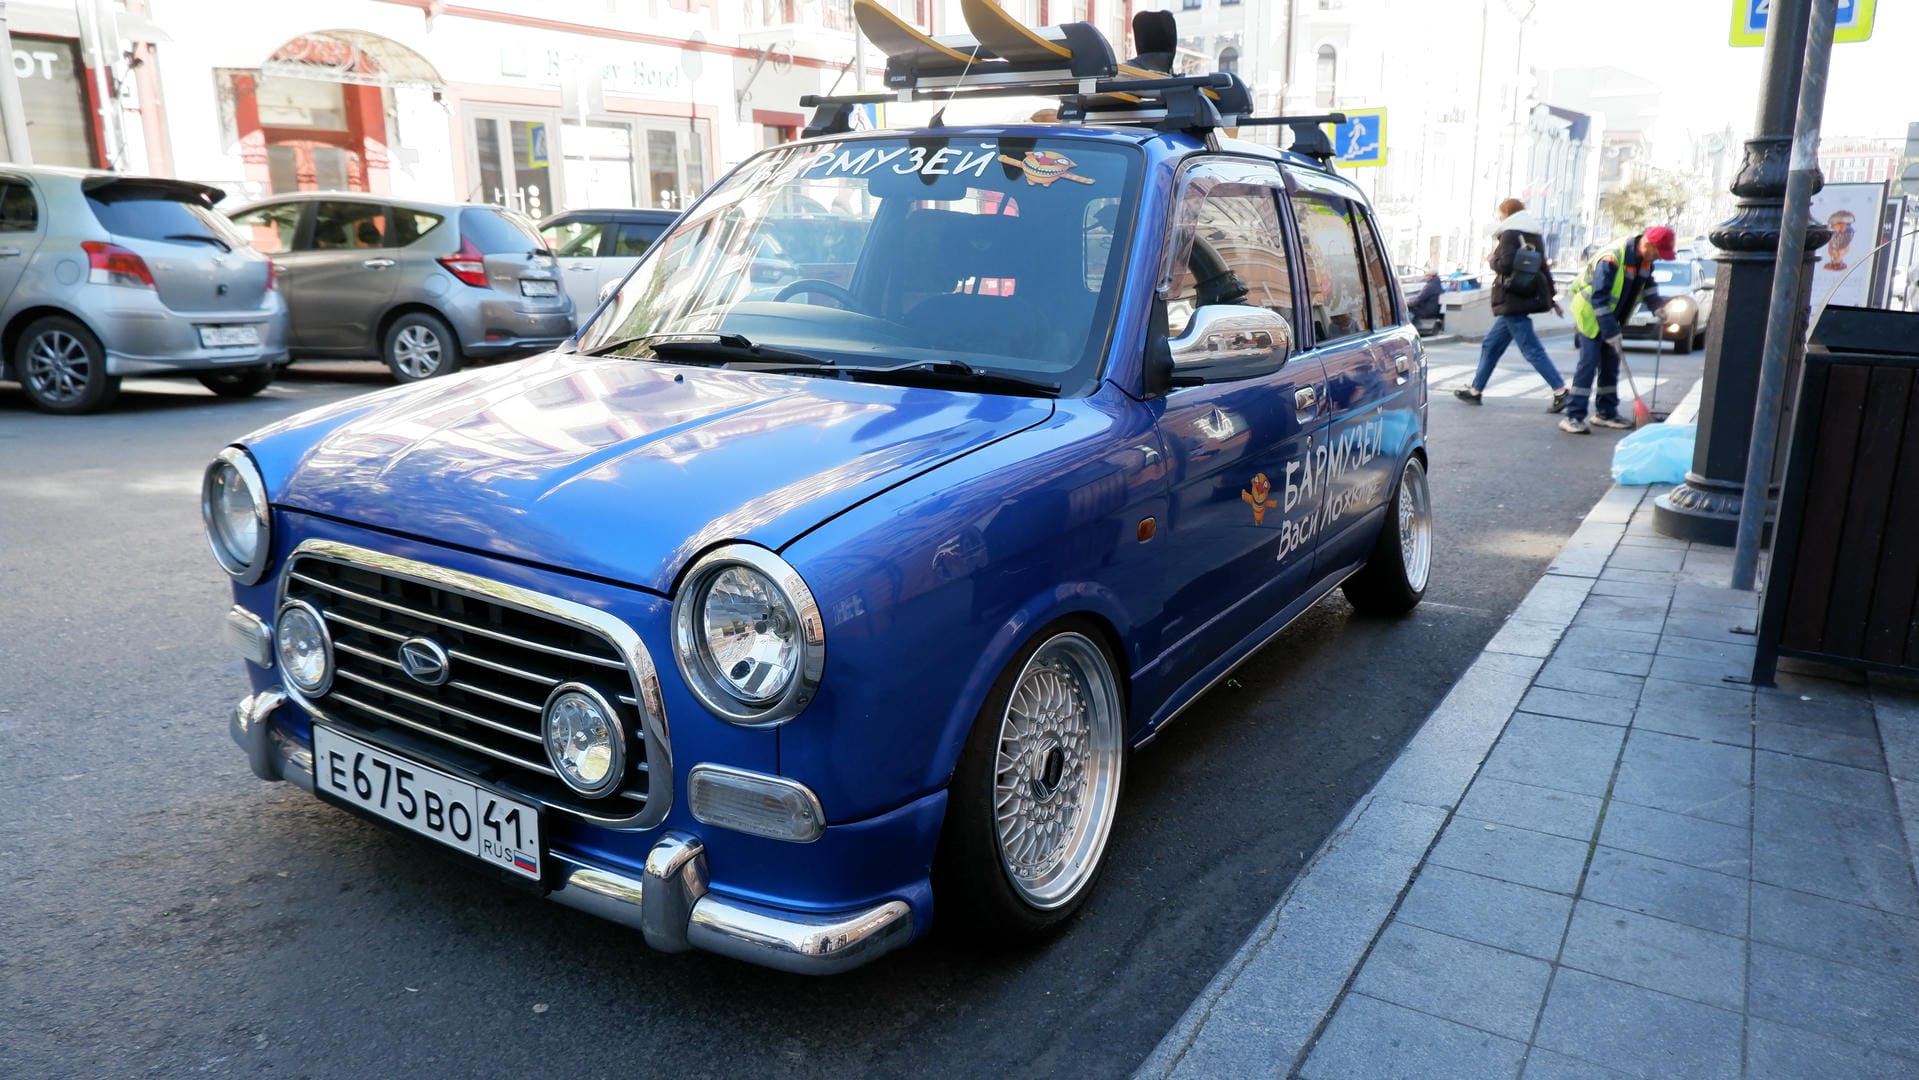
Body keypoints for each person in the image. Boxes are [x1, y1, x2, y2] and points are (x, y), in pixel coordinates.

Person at [1453, 198, 1571, 410]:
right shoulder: (1534, 234)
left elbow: (1506, 264)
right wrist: (1551, 297)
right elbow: (1543, 267)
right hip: (1524, 297)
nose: (1499, 217)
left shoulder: (1509, 234)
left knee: (1531, 349)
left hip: (1511, 299)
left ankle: (1560, 390)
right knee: (1491, 345)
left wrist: (1491, 259)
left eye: (1500, 213)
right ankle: (1475, 390)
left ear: (1506, 213)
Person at [1560, 225, 1677, 433]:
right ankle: (1573, 416)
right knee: (1589, 363)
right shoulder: (1612, 259)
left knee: (1611, 362)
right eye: (1658, 253)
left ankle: (1606, 413)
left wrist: (1657, 307)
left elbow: (1648, 286)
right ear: (1648, 244)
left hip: (1612, 317)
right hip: (1591, 314)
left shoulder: (1645, 261)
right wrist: (1610, 331)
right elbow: (1599, 297)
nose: (1658, 258)